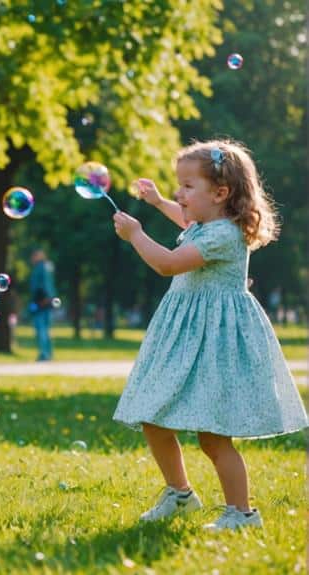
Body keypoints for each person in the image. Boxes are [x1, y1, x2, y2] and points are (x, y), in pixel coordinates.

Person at [112, 140, 308, 530]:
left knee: (213, 436)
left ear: (221, 193)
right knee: (152, 415)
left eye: (187, 186)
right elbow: (185, 222)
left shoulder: (224, 235)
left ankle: (242, 513)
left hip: (215, 341)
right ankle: (180, 494)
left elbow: (168, 264)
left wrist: (136, 234)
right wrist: (157, 204)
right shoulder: (204, 225)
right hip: (187, 335)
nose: (178, 195)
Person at [28, 248, 56, 361]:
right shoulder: (47, 267)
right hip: (47, 302)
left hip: (40, 302)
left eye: (34, 256)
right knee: (46, 328)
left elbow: (40, 287)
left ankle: (44, 354)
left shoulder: (39, 269)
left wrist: (43, 299)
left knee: (41, 329)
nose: (32, 259)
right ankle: (49, 354)